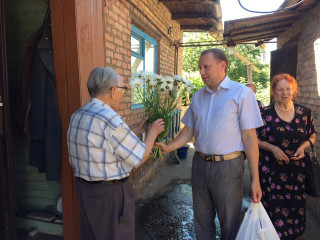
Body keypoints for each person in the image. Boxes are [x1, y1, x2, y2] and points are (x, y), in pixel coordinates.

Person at [156, 48, 263, 240]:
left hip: (228, 167)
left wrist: (255, 179)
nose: (201, 72)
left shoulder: (242, 94)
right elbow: (188, 130)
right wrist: (169, 146)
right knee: (202, 219)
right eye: (199, 67)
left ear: (223, 66)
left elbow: (249, 138)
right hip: (199, 164)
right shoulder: (198, 96)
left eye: (206, 67)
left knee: (229, 221)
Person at [67, 67, 165, 240]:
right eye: (123, 88)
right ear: (113, 90)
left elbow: (103, 143)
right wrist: (152, 133)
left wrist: (135, 130)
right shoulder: (110, 119)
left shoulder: (78, 114)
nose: (124, 93)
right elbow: (139, 157)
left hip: (85, 190)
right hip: (109, 196)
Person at [256, 73, 316, 239]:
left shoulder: (304, 112)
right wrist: (273, 148)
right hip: (271, 173)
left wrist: (303, 147)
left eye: (288, 89)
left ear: (293, 90)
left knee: (294, 209)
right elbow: (254, 138)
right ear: (274, 91)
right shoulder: (265, 113)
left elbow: (312, 136)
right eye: (280, 89)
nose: (284, 93)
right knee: (273, 211)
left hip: (296, 173)